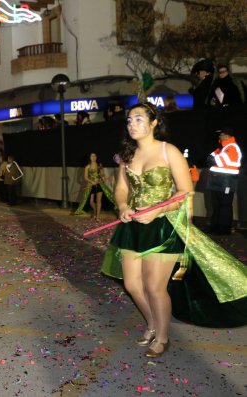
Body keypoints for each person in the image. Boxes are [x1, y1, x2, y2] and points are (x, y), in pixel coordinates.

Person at [101, 103, 247, 359]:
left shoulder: (170, 152)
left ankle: (163, 337)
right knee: (133, 285)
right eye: (128, 121)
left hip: (163, 227)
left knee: (154, 287)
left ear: (154, 122)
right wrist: (123, 206)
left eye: (138, 119)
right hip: (132, 227)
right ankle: (152, 324)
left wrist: (156, 211)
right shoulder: (127, 154)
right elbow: (121, 188)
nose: (131, 124)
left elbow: (185, 191)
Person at [206, 127, 242, 235]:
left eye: (221, 135)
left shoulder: (232, 147)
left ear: (227, 136)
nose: (219, 136)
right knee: (216, 205)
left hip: (226, 181)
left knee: (225, 205)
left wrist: (214, 159)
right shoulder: (222, 148)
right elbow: (209, 159)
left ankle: (224, 229)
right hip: (217, 181)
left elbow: (219, 161)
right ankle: (215, 227)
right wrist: (213, 159)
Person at [73, 153, 115, 218]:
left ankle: (97, 217)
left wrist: (103, 177)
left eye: (95, 156)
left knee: (99, 201)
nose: (94, 157)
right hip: (91, 184)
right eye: (92, 156)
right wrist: (91, 181)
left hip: (99, 184)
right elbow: (85, 177)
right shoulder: (87, 166)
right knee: (91, 201)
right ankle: (95, 211)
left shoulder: (99, 165)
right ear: (89, 157)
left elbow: (102, 174)